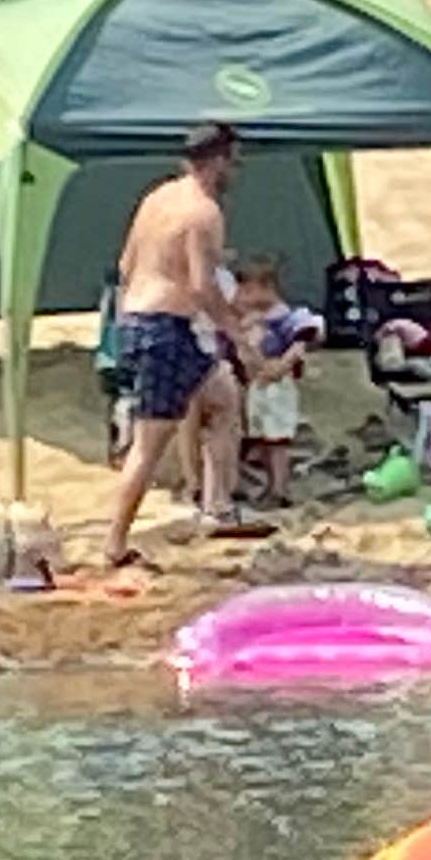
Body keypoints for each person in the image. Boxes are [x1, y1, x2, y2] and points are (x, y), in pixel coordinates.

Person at [98, 122, 260, 567]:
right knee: (150, 444)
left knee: (224, 398)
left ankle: (218, 506)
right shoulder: (203, 213)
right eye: (233, 162)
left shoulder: (157, 197)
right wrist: (238, 335)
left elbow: (126, 262)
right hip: (165, 329)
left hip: (140, 318)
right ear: (220, 160)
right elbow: (203, 286)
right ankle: (114, 542)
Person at [230, 254, 323, 508]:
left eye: (246, 290)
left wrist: (284, 364)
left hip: (276, 386)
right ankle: (269, 485)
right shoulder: (245, 322)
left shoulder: (283, 318)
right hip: (256, 385)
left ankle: (279, 488)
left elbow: (303, 338)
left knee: (276, 439)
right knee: (261, 437)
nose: (240, 297)